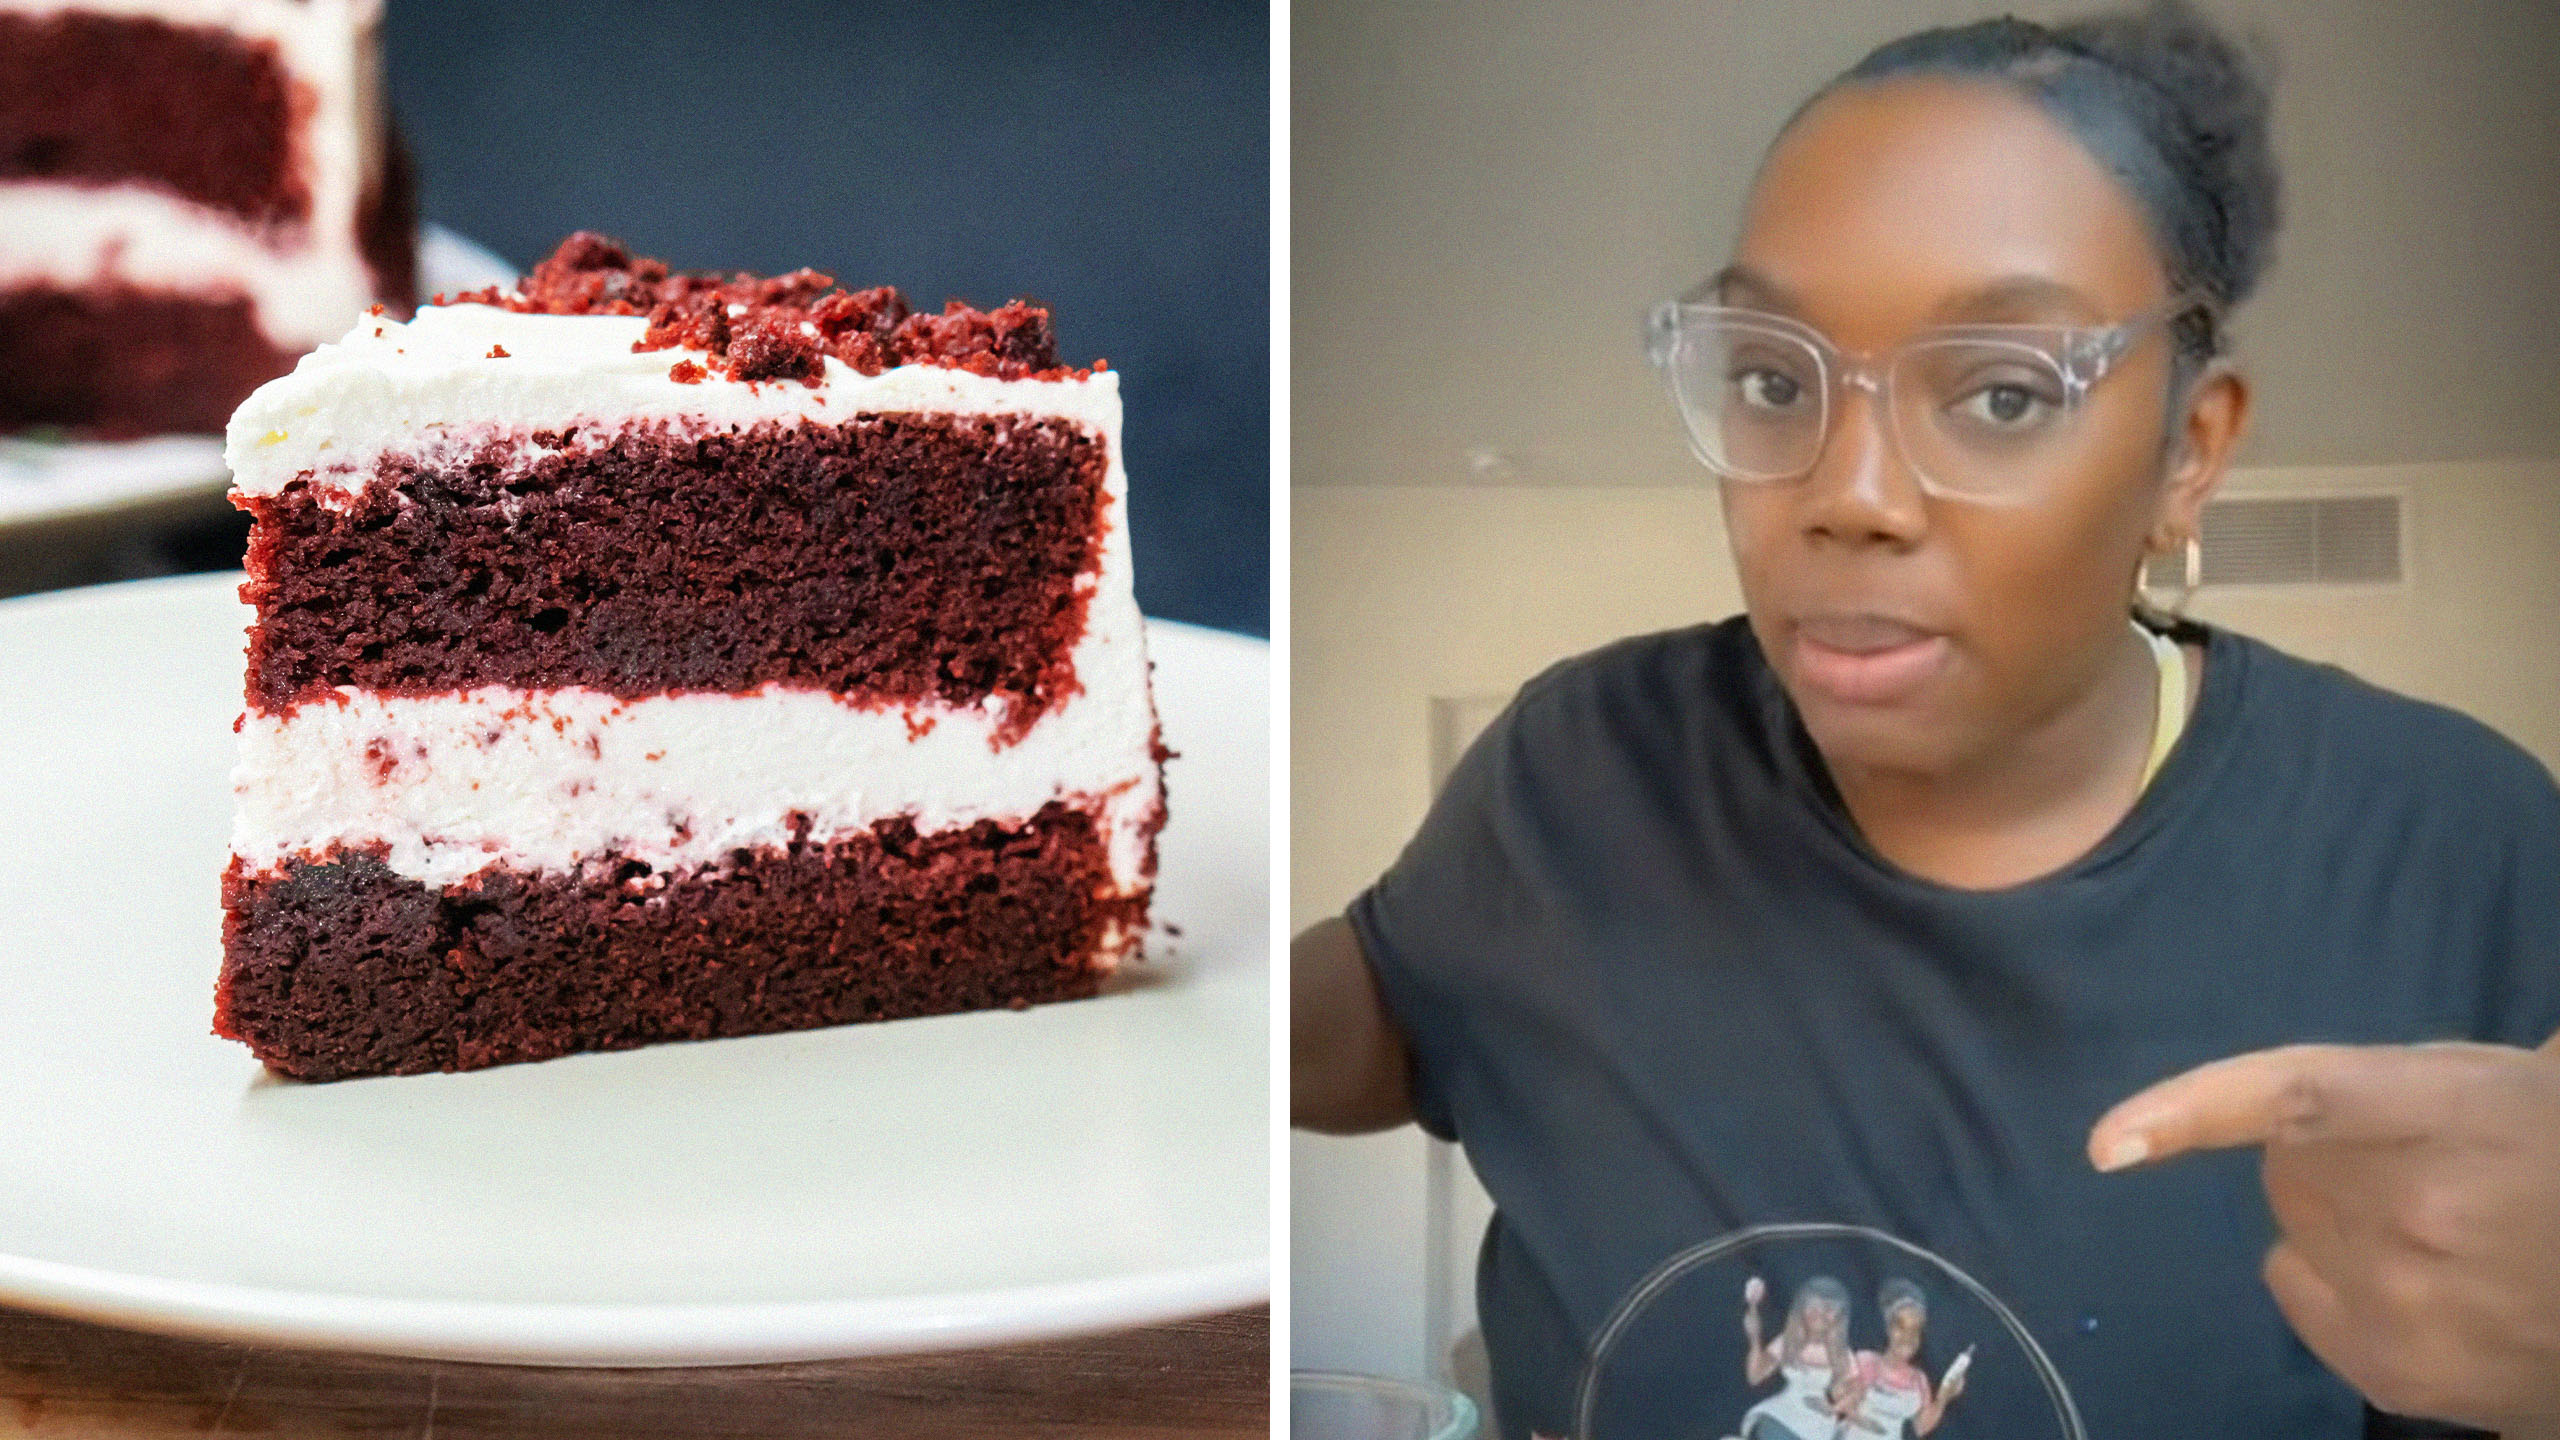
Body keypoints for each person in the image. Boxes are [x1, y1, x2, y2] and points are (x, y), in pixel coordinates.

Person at [1290, 4, 2560, 1437]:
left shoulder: (2460, 848)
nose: (1850, 493)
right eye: (1775, 380)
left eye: (2004, 394)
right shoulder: (1582, 774)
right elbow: (1376, 1020)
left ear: (2186, 456)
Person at [1835, 1281, 1965, 1438]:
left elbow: (1920, 1427)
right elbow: (1837, 1398)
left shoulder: (1919, 1380)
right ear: (1889, 1328)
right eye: (1901, 1328)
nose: (1907, 1338)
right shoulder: (1865, 1361)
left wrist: (1944, 1396)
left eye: (1915, 1331)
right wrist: (1849, 1395)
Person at [1733, 1275, 1854, 1440]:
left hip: (1819, 1423)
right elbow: (1755, 1376)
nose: (1819, 1315)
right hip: (1783, 1414)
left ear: (1839, 1316)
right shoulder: (1788, 1341)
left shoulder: (1842, 1353)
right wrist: (1754, 1338)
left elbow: (1852, 1393)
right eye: (1813, 1307)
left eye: (1829, 1309)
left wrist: (1840, 1404)